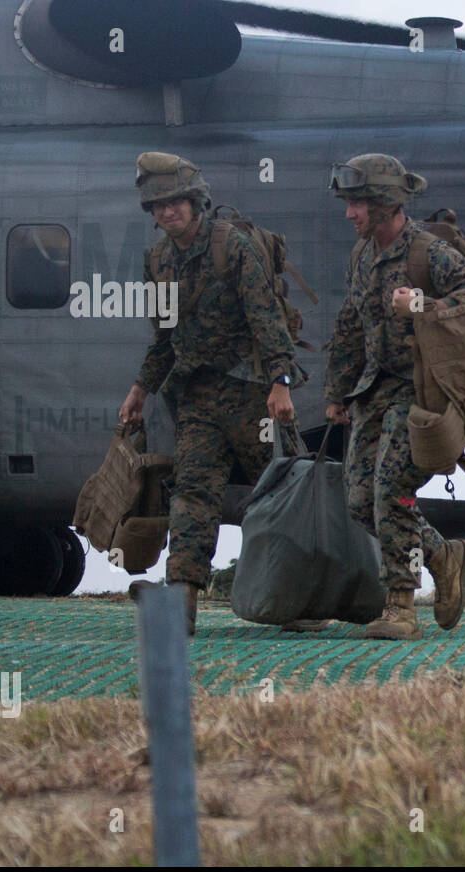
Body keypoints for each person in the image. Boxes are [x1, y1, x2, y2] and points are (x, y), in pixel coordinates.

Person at [118, 152, 301, 634]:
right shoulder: (156, 261)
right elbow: (164, 338)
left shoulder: (231, 246)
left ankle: (301, 597)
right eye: (157, 206)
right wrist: (141, 389)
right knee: (193, 494)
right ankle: (182, 599)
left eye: (174, 202)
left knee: (279, 496)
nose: (166, 212)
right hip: (197, 396)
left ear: (195, 201)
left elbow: (267, 318)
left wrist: (280, 383)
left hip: (250, 392)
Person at [324, 153, 465, 639]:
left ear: (384, 202)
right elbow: (349, 323)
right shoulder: (360, 255)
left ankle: (400, 604)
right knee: (361, 501)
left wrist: (423, 304)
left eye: (357, 203)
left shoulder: (427, 251)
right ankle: (443, 554)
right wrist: (336, 390)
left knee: (390, 490)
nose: (349, 214)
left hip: (422, 389)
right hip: (372, 389)